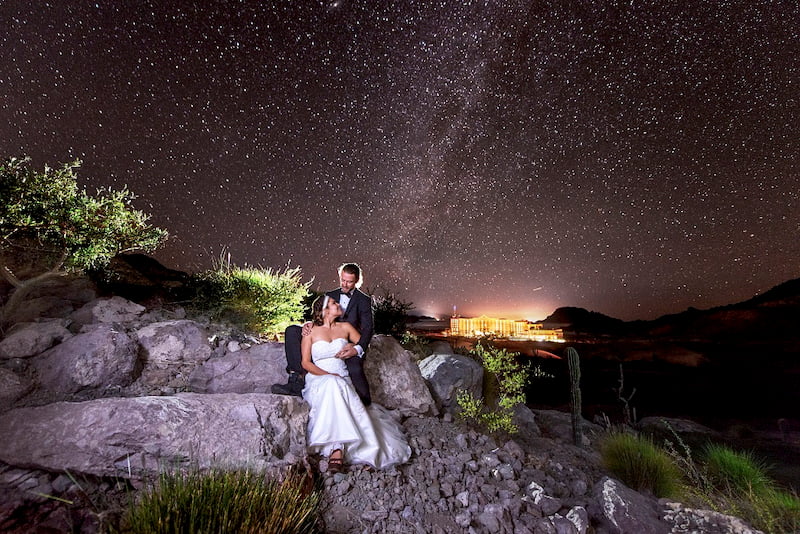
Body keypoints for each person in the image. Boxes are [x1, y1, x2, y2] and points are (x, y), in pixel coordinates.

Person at [302, 294, 410, 472]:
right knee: (332, 384)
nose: (338, 304)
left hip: (342, 376)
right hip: (319, 377)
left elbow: (363, 344)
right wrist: (328, 375)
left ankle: (337, 448)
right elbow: (306, 363)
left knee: (337, 385)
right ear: (324, 310)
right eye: (333, 303)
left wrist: (353, 349)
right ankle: (338, 448)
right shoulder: (310, 330)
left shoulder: (345, 327)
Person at [272, 263, 374, 405]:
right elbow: (320, 314)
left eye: (349, 281)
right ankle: (297, 378)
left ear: (357, 281)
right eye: (342, 280)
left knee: (354, 368)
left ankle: (359, 397)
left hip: (346, 340)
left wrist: (356, 347)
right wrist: (308, 324)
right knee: (292, 330)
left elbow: (368, 328)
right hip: (325, 333)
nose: (344, 284)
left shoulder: (363, 300)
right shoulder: (330, 295)